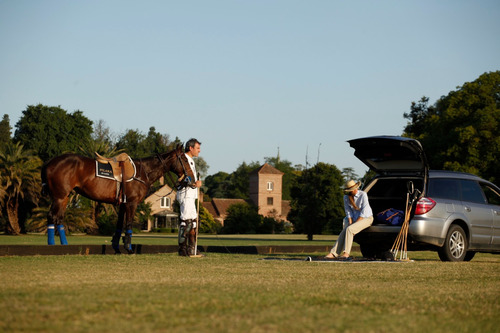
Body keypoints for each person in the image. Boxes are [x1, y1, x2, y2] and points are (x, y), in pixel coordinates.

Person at [325, 179, 374, 260]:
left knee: (350, 230)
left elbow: (364, 212)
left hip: (367, 218)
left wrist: (353, 226)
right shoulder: (346, 197)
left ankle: (346, 253)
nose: (351, 191)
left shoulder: (363, 194)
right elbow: (348, 212)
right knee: (344, 231)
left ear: (356, 188)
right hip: (355, 219)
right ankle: (334, 253)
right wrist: (351, 223)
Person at [177, 138, 203, 256]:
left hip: (191, 195)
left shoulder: (191, 161)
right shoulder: (183, 160)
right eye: (197, 148)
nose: (199, 151)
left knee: (193, 222)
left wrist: (196, 183)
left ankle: (192, 249)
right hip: (185, 194)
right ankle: (182, 250)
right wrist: (193, 184)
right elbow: (181, 178)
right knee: (186, 221)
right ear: (191, 148)